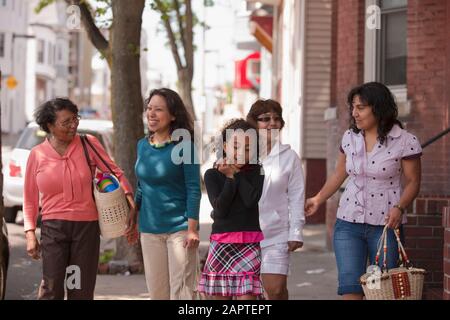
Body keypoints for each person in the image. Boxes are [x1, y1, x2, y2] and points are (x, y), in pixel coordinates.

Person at [305, 82, 422, 300]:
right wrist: (318, 199)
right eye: (353, 107)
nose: (354, 113)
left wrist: (400, 207)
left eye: (361, 108)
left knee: (380, 292)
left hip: (385, 226)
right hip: (348, 223)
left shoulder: (404, 141)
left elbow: (414, 182)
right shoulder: (350, 137)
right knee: (351, 289)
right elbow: (339, 174)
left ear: (378, 108)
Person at [24, 98, 134, 300]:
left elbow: (115, 172)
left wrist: (131, 206)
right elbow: (30, 197)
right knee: (52, 287)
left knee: (81, 290)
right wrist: (30, 233)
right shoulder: (37, 155)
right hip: (53, 228)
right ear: (50, 125)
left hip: (86, 229)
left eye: (75, 119)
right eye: (66, 122)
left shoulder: (88, 144)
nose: (73, 125)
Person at [125, 88, 201, 300]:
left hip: (180, 229)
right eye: (149, 108)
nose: (151, 114)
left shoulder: (186, 147)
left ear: (173, 115)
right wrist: (134, 211)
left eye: (158, 109)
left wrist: (192, 229)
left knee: (182, 293)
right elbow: (143, 184)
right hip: (150, 230)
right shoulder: (142, 145)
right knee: (158, 293)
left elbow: (193, 188)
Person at [198, 119, 265, 300]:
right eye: (236, 147)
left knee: (247, 299)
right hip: (222, 243)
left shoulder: (258, 171)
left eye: (247, 149)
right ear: (225, 146)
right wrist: (229, 178)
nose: (240, 153)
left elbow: (251, 200)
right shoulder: (212, 175)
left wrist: (236, 174)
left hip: (248, 244)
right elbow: (220, 210)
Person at [246, 99, 305, 300]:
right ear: (253, 123)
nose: (272, 123)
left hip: (276, 233)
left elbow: (297, 197)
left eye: (276, 118)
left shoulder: (290, 157)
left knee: (276, 290)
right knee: (248, 295)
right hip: (244, 232)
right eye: (265, 119)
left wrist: (296, 231)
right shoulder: (243, 154)